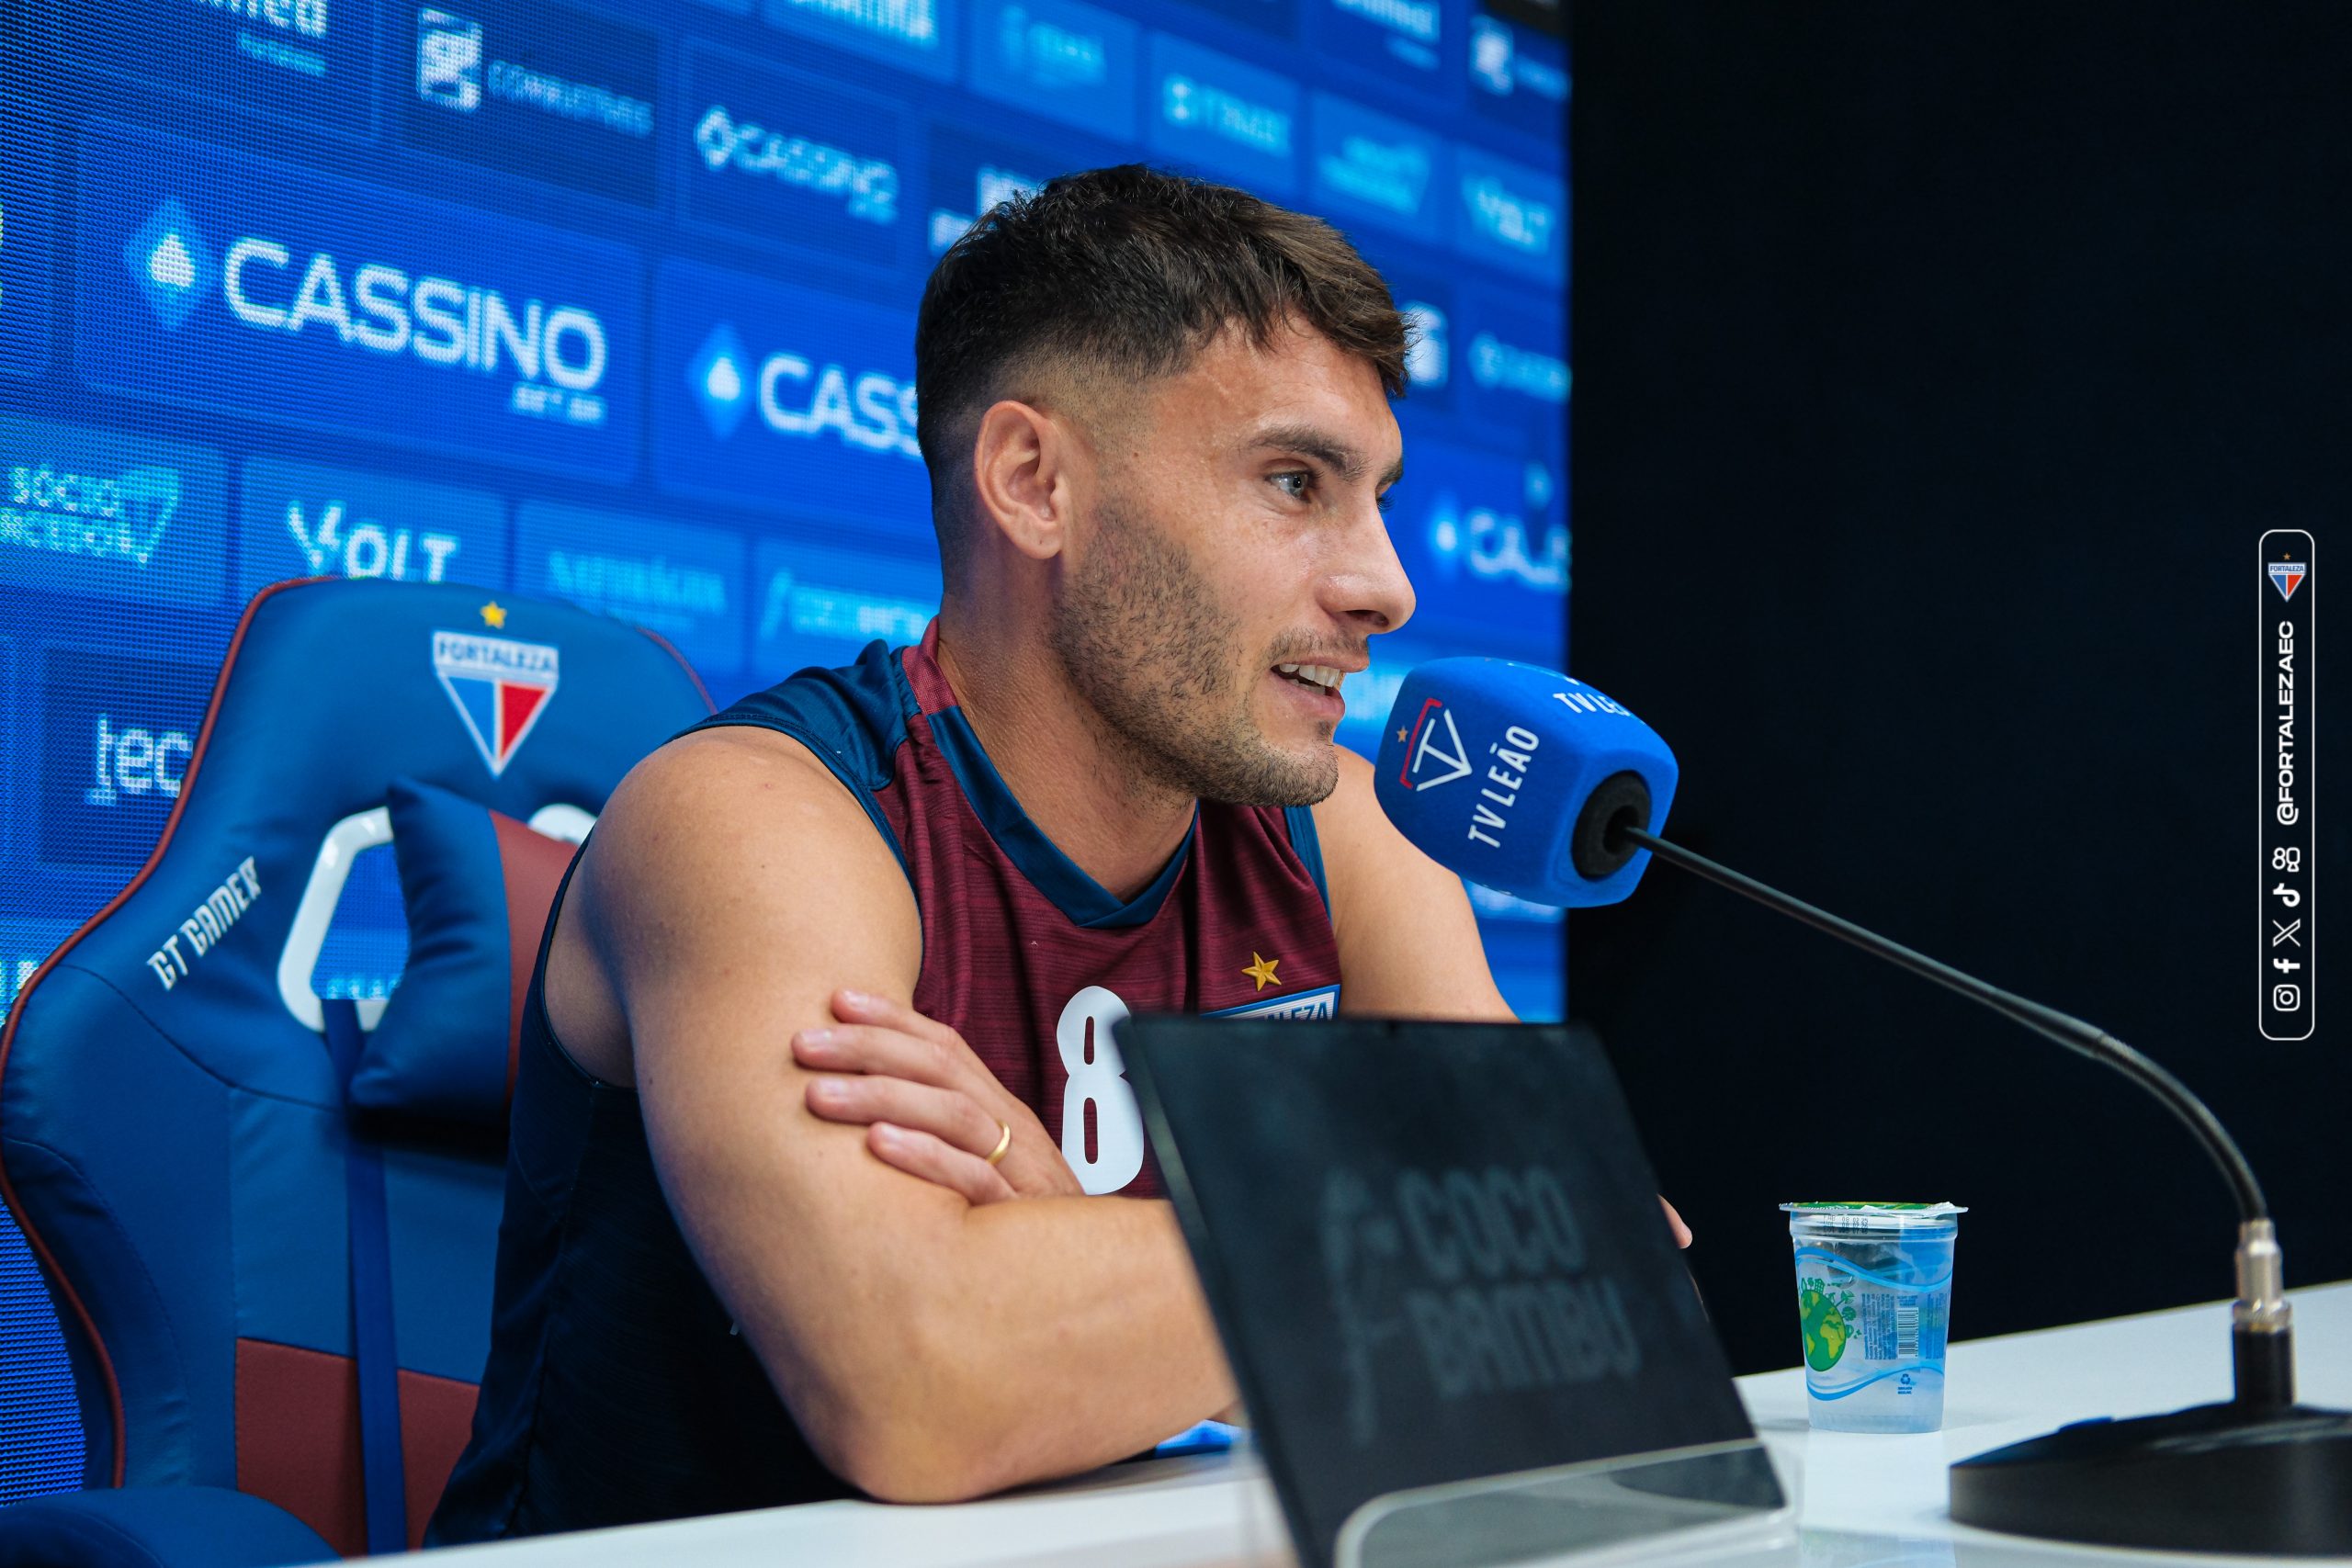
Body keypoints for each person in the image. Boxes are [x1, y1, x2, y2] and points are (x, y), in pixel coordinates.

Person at [429, 164, 1687, 1544]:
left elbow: (1603, 1293)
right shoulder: (755, 822)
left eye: (1377, 495)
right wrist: (1399, 1246)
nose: (1384, 583)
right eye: (1294, 482)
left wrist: (1068, 1239)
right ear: (1035, 484)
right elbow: (920, 1383)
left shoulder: (1351, 823)